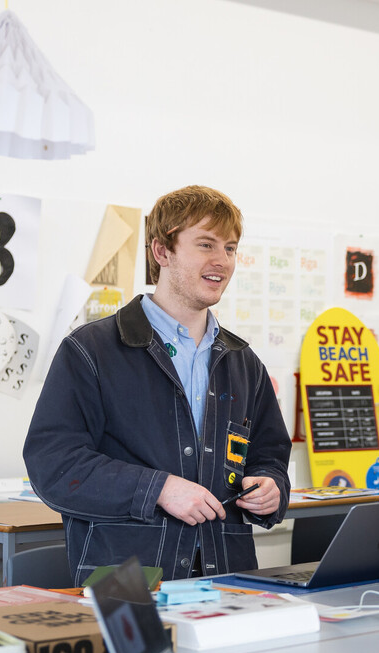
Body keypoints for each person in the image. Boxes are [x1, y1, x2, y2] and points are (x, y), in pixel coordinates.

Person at [24, 185, 291, 583]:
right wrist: (159, 489)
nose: (222, 261)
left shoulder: (243, 363)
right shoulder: (90, 351)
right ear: (161, 252)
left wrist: (271, 488)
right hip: (123, 580)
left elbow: (269, 455)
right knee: (138, 650)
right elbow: (54, 465)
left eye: (231, 248)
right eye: (205, 244)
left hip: (229, 578)